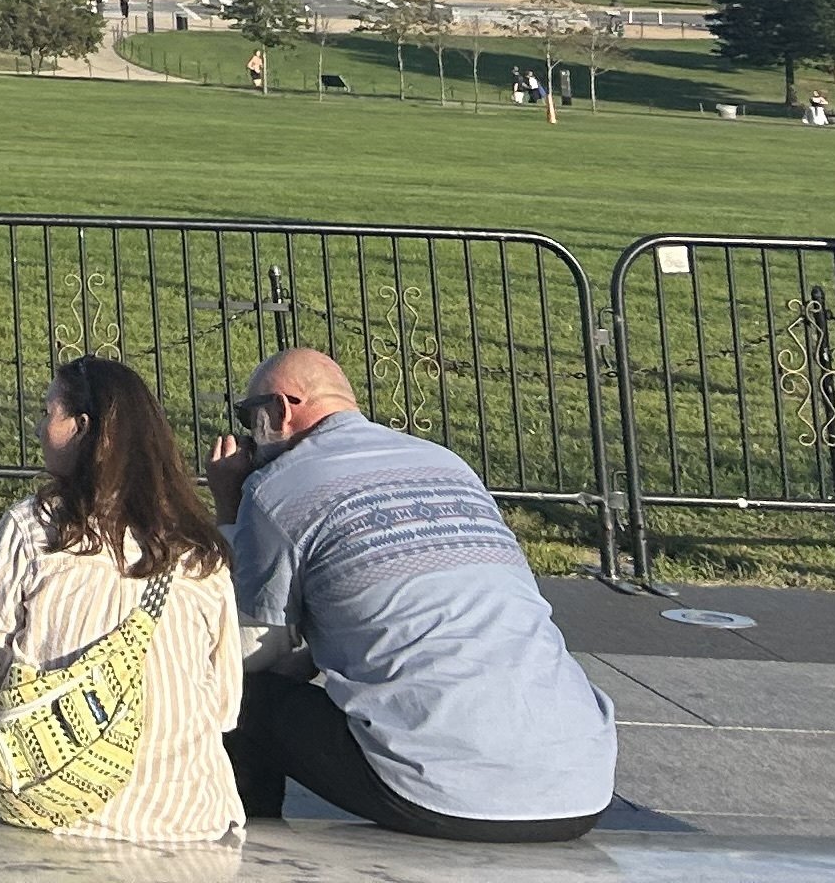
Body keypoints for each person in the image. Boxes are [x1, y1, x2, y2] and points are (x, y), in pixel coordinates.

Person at [213, 347, 614, 841]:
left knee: (238, 697)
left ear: (280, 410)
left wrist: (229, 507)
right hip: (583, 785)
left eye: (247, 416)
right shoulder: (447, 464)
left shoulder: (278, 488)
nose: (249, 434)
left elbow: (251, 648)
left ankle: (247, 854)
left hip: (441, 794)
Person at [0, 356, 243, 844]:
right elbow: (224, 706)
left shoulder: (35, 528)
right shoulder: (199, 550)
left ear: (82, 428)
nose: (38, 427)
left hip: (58, 814)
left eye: (49, 412)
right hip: (191, 814)